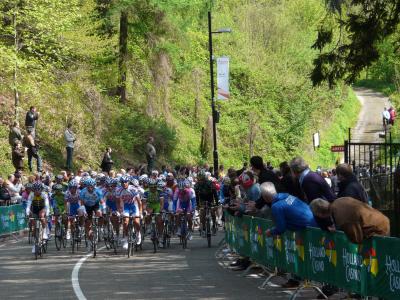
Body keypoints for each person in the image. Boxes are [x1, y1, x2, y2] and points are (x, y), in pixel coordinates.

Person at [310, 197, 390, 244]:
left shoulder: (342, 219)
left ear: (319, 214)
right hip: (380, 219)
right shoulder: (339, 200)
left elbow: (356, 239)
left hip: (378, 229)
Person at [26, 182, 50, 253]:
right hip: (34, 210)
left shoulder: (44, 194)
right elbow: (28, 205)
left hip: (42, 208)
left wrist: (47, 213)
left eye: (38, 190)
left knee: (41, 216)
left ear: (41, 189)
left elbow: (47, 205)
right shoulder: (31, 195)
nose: (37, 191)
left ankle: (45, 232)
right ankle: (35, 244)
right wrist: (27, 212)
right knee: (33, 225)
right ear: (33, 190)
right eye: (35, 190)